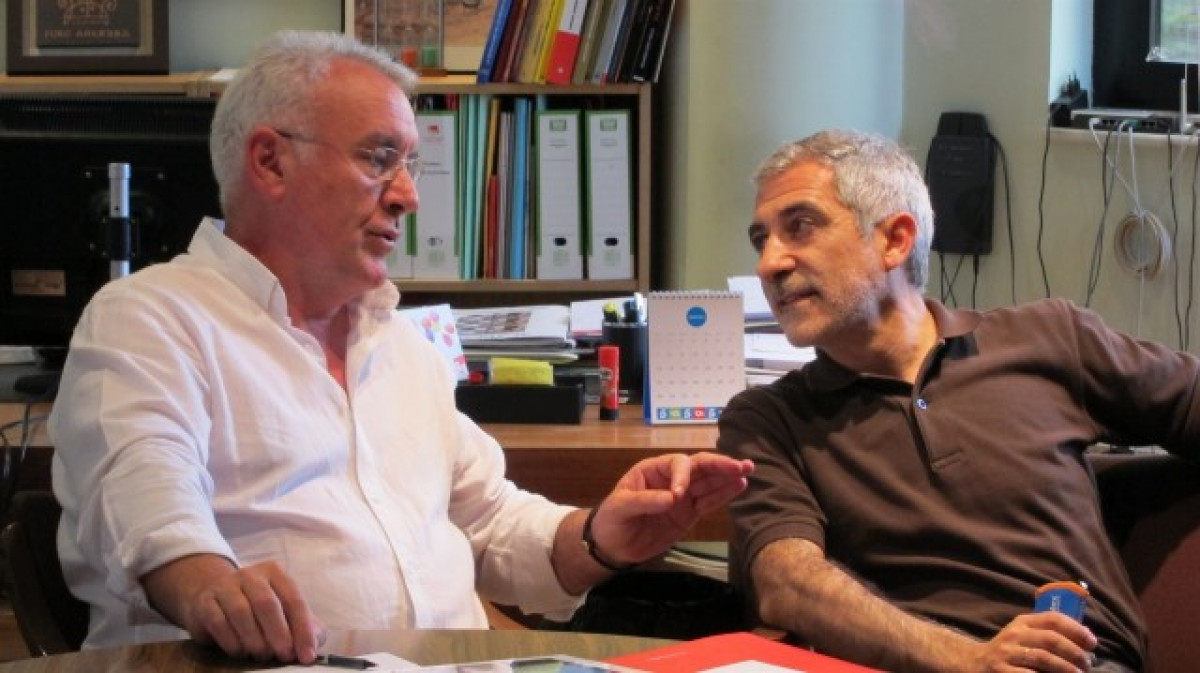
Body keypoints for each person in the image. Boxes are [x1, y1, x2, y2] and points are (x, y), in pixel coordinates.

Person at [48, 30, 754, 665]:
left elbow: (489, 520)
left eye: (411, 163)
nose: (409, 196)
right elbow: (144, 497)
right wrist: (208, 585)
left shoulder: (404, 345)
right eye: (380, 158)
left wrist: (602, 534)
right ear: (270, 161)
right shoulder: (150, 318)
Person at [717, 129, 1200, 672]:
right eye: (761, 239)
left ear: (895, 240)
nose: (769, 264)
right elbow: (787, 582)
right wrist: (969, 658)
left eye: (800, 227)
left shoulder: (1049, 339)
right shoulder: (766, 421)